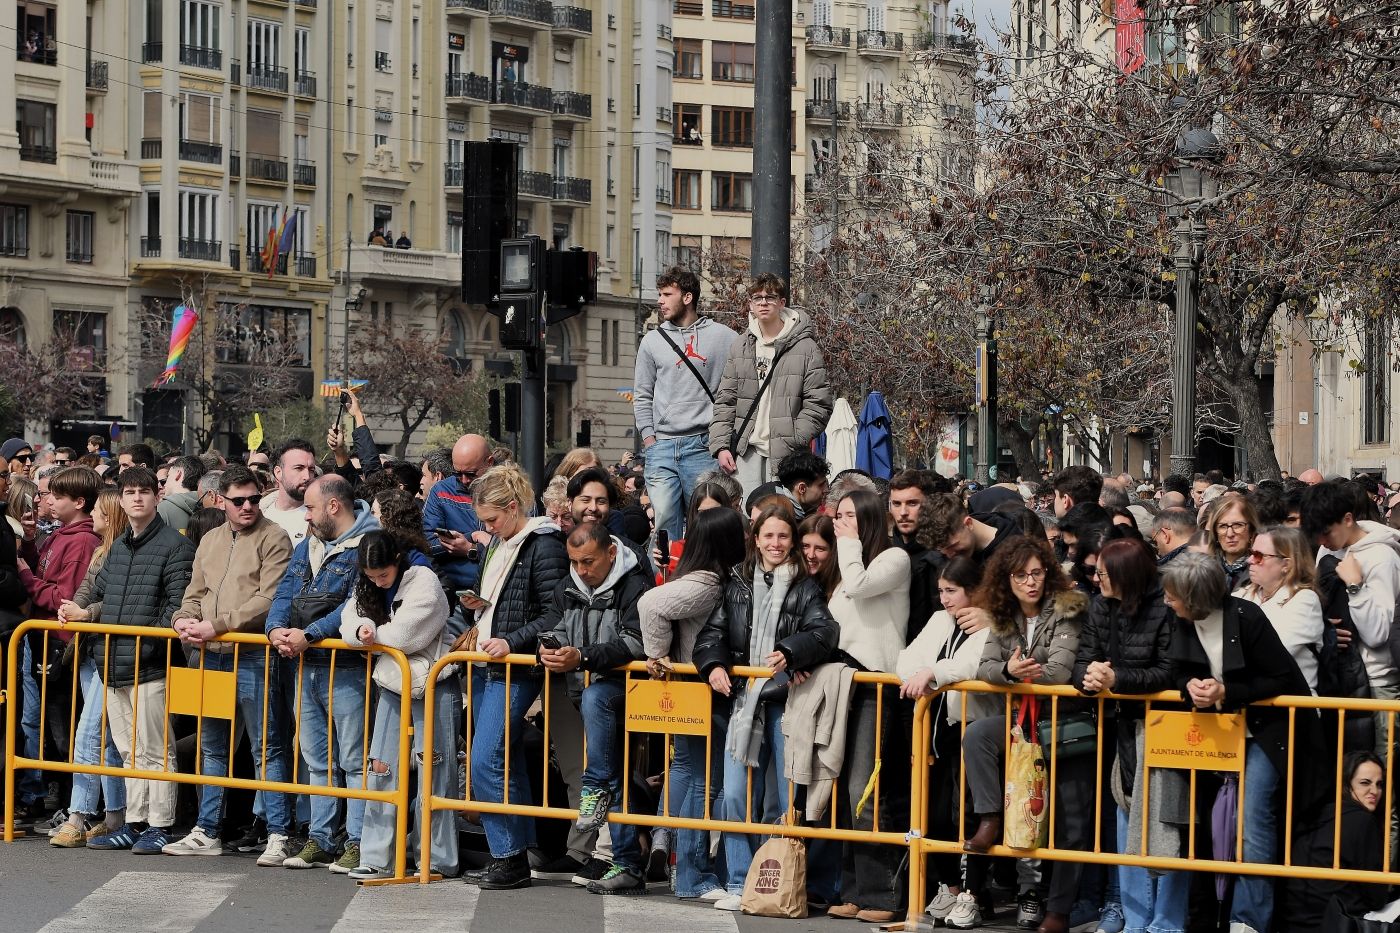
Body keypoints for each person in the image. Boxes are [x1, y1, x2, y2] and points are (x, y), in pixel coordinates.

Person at [1163, 552, 1323, 933]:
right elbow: (1175, 667)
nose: (1167, 601)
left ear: (1196, 598)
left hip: (1266, 733)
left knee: (1253, 820)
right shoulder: (1180, 621)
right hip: (1218, 732)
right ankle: (1208, 914)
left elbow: (1281, 678)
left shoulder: (1247, 618)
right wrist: (1190, 685)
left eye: (1173, 596)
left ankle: (1247, 921)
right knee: (1208, 821)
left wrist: (1225, 691)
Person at [692, 501, 839, 911]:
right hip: (743, 702)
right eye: (768, 535)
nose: (775, 543)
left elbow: (825, 631)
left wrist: (792, 653)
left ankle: (773, 883)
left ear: (792, 541)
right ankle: (739, 882)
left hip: (785, 703)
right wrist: (713, 665)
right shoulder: (736, 581)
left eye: (783, 536)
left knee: (781, 799)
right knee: (735, 795)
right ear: (755, 539)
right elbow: (712, 634)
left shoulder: (805, 587)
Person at [161, 465, 295, 865]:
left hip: (252, 654)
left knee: (267, 747)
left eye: (254, 498)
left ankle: (278, 833)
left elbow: (268, 600)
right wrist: (182, 618)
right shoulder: (211, 539)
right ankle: (207, 829)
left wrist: (214, 625)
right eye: (238, 500)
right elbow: (194, 590)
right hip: (210, 655)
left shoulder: (275, 537)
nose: (248, 506)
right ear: (221, 501)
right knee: (212, 744)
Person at [60, 467, 194, 855]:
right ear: (121, 500)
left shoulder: (175, 546)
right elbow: (98, 592)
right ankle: (135, 821)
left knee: (156, 748)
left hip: (149, 664)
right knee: (128, 749)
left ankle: (160, 824)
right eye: (130, 492)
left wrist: (145, 647)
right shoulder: (118, 546)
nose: (137, 498)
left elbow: (175, 607)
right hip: (113, 662)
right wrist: (78, 609)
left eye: (144, 491)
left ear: (157, 497)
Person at [959, 537, 1088, 933]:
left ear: (1048, 573)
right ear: (1007, 579)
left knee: (1071, 824)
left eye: (1037, 573)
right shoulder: (1001, 615)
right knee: (978, 733)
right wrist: (1008, 673)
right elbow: (985, 667)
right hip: (1024, 724)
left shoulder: (1069, 607)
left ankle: (1059, 910)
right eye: (1021, 575)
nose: (1030, 582)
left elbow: (1060, 673)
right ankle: (989, 818)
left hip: (1066, 723)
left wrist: (1016, 674)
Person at [265, 474, 381, 872]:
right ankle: (320, 838)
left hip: (347, 669)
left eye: (311, 508)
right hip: (306, 666)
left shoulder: (370, 544)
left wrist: (309, 634)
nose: (307, 516)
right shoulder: (308, 544)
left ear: (333, 506)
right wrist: (275, 629)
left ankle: (358, 841)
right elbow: (285, 592)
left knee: (352, 760)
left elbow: (356, 604)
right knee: (317, 760)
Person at [461, 464, 568, 891]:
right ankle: (513, 855)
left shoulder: (543, 545)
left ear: (511, 507)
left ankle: (508, 855)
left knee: (487, 758)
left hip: (514, 664)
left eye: (491, 520)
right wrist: (476, 606)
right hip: (495, 660)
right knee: (503, 760)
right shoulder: (503, 543)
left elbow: (554, 612)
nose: (487, 529)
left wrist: (511, 641)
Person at [638, 506, 747, 900]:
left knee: (694, 775)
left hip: (691, 689)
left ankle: (690, 872)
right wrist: (657, 657)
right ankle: (692, 874)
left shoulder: (699, 575)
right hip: (699, 690)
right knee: (706, 783)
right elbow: (650, 605)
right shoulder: (707, 582)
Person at [338, 531, 461, 881]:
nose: (377, 582)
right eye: (371, 576)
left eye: (383, 575)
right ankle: (378, 856)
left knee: (436, 772)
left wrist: (367, 634)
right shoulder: (366, 585)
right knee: (381, 768)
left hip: (435, 682)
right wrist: (363, 628)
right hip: (393, 683)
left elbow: (407, 637)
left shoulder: (424, 580)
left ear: (396, 562)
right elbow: (349, 620)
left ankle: (437, 858)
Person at [537, 522, 652, 895]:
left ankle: (594, 786)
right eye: (574, 561)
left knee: (597, 705)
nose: (582, 569)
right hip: (583, 685)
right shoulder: (567, 585)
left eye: (588, 561)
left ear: (611, 552)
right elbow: (554, 626)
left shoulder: (635, 585)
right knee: (615, 776)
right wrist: (551, 647)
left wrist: (583, 657)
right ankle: (626, 863)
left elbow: (635, 643)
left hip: (623, 687)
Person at [1073, 539, 1178, 933]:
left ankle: (1165, 922)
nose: (1095, 578)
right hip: (1122, 730)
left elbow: (1169, 672)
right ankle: (1135, 918)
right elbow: (1085, 656)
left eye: (1103, 572)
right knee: (1125, 817)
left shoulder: (1164, 607)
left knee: (1164, 825)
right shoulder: (1101, 605)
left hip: (1163, 727)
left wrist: (1118, 679)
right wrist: (1090, 678)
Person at [896, 558, 994, 929]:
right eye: (941, 591)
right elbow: (907, 659)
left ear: (974, 590)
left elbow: (967, 666)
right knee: (934, 813)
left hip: (971, 727)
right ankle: (950, 887)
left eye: (951, 591)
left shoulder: (988, 622)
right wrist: (921, 673)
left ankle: (972, 893)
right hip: (932, 731)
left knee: (969, 814)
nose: (944, 599)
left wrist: (932, 674)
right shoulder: (940, 620)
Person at [633, 266, 738, 541]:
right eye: (659, 294)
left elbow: (739, 388)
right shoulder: (652, 341)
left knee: (705, 523)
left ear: (688, 297)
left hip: (703, 446)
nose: (660, 301)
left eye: (667, 294)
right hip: (662, 447)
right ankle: (664, 581)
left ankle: (705, 581)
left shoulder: (724, 337)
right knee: (665, 525)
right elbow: (642, 393)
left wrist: (723, 439)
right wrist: (649, 440)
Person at [50, 488, 128, 848]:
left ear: (109, 517)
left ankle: (78, 815)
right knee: (105, 736)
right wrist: (71, 607)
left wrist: (85, 613)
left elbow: (110, 602)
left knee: (89, 733)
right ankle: (114, 816)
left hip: (110, 653)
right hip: (91, 651)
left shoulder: (121, 551)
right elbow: (85, 591)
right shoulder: (100, 551)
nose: (91, 515)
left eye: (97, 510)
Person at [709, 273, 833, 498]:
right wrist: (721, 446)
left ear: (782, 302)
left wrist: (793, 438)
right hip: (747, 451)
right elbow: (726, 401)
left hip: (787, 453)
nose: (763, 303)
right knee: (747, 520)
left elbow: (819, 403)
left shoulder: (805, 347)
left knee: (783, 516)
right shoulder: (741, 346)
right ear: (750, 304)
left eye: (770, 297)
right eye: (757, 298)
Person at [1302, 479, 1400, 757]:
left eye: (1326, 532)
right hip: (1337, 676)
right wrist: (1323, 627)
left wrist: (1355, 588)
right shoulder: (1327, 550)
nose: (1321, 541)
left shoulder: (1382, 556)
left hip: (1376, 682)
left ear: (1348, 519)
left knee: (1381, 769)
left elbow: (1379, 633)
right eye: (1316, 535)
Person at [1282, 751, 1390, 932]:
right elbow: (1376, 897)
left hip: (1294, 923)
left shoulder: (1318, 814)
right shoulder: (1363, 821)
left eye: (1379, 784)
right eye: (1365, 783)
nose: (1375, 791)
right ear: (1346, 784)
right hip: (1336, 924)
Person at [1237, 525, 1324, 693]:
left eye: (1258, 556)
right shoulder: (1242, 595)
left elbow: (1273, 653)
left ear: (1286, 564)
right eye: (1251, 553)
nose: (1249, 560)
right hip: (1251, 707)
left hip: (1291, 710)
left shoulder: (1305, 599)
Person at [422, 433, 493, 599]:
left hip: (496, 590)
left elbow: (518, 551)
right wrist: (471, 537)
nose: (464, 480)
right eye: (457, 473)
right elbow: (427, 543)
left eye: (471, 473)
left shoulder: (511, 492)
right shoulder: (441, 491)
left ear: (489, 462)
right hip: (454, 591)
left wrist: (471, 549)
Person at [890, 469, 950, 644]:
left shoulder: (944, 555)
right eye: (896, 503)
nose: (903, 512)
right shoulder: (882, 550)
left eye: (912, 503)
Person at [917, 491, 1022, 565]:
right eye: (942, 550)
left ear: (968, 524)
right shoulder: (938, 561)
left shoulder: (1017, 551)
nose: (949, 555)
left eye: (953, 545)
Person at [261, 439, 319, 548]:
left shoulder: (322, 516)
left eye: (311, 470)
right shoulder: (258, 513)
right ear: (278, 473)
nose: (307, 476)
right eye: (299, 468)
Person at [745, 449, 831, 521]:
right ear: (802, 488)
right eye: (821, 485)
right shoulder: (774, 513)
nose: (826, 490)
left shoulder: (806, 510)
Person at [1208, 495, 1259, 591]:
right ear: (1215, 532)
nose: (1230, 534)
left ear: (1251, 530)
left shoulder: (1263, 572)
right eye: (1223, 526)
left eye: (1238, 525)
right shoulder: (1204, 571)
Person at [156, 455, 204, 533]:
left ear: (178, 474)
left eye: (168, 476)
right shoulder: (208, 505)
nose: (164, 485)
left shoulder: (162, 509)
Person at [798, 512, 840, 599]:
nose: (811, 555)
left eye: (820, 548)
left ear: (833, 551)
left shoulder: (841, 587)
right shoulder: (788, 580)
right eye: (805, 546)